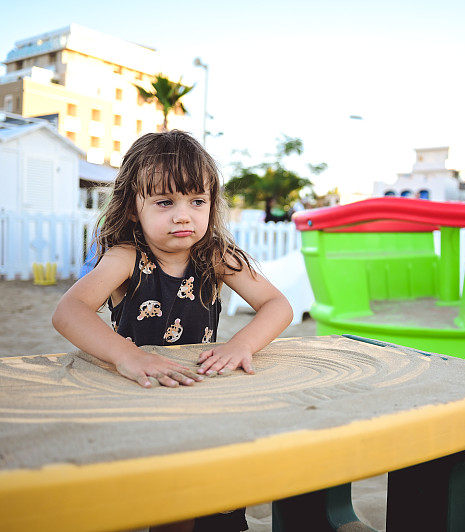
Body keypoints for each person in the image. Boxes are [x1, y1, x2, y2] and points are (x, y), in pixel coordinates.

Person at [52, 130, 293, 532]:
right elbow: (69, 311)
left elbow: (278, 305)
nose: (184, 215)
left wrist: (241, 344)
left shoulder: (215, 256)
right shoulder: (126, 257)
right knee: (166, 503)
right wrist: (129, 356)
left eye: (197, 201)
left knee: (220, 502)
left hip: (201, 398)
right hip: (142, 400)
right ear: (133, 208)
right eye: (165, 202)